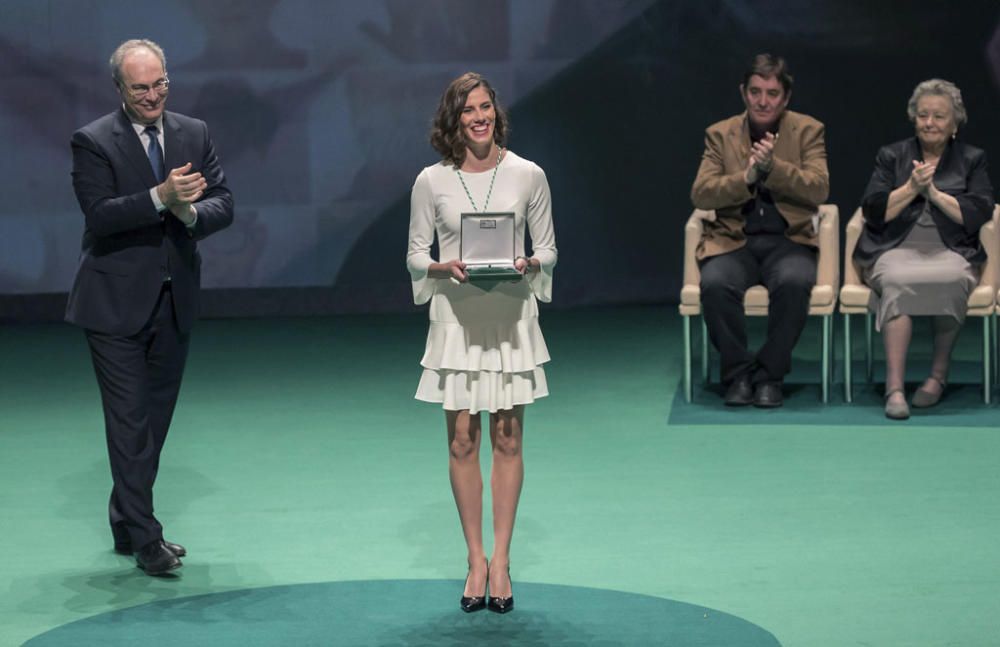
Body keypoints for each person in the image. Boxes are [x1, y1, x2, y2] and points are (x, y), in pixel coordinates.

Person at [66, 39, 234, 575]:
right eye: (141, 87)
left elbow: (223, 202)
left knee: (154, 423)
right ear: (119, 89)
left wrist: (189, 215)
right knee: (129, 422)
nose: (153, 95)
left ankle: (125, 518)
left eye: (160, 83)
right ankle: (146, 538)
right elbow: (99, 214)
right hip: (113, 305)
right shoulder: (93, 141)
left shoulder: (194, 131)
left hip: (174, 301)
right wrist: (161, 197)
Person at [406, 72, 557, 613]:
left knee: (508, 438)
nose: (479, 117)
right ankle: (474, 559)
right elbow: (416, 256)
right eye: (468, 109)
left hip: (511, 316)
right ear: (453, 119)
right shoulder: (431, 181)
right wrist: (442, 267)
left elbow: (549, 252)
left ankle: (502, 559)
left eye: (486, 107)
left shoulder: (528, 175)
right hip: (456, 318)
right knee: (463, 441)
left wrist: (530, 261)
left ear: (497, 112)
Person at [690, 53, 829, 408]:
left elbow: (818, 189)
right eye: (755, 92)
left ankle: (769, 376)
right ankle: (738, 375)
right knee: (716, 284)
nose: (762, 101)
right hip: (734, 239)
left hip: (788, 240)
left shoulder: (807, 130)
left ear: (785, 98)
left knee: (795, 282)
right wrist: (748, 176)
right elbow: (701, 193)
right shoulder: (720, 135)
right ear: (743, 92)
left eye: (771, 93)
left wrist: (775, 168)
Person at [854, 79, 993, 420]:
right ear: (913, 118)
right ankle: (895, 387)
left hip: (952, 249)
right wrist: (910, 189)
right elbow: (873, 211)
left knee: (952, 279)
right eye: (923, 115)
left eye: (939, 116)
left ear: (955, 122)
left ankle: (937, 377)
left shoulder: (972, 159)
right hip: (895, 245)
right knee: (897, 280)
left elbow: (978, 212)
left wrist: (933, 194)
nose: (929, 122)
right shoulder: (892, 155)